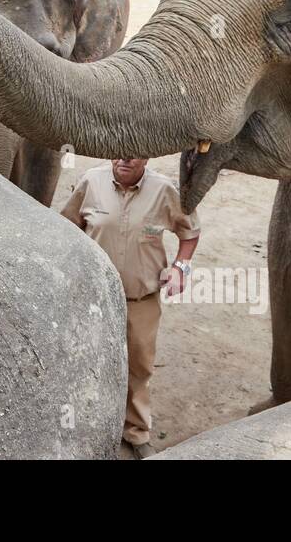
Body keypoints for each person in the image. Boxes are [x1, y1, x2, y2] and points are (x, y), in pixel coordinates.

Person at [60, 157, 201, 459]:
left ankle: (136, 433)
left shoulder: (165, 190)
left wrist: (180, 267)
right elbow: (67, 226)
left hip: (142, 300)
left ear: (147, 156)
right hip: (94, 299)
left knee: (138, 367)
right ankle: (89, 428)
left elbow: (190, 232)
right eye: (119, 151)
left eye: (133, 153)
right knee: (89, 363)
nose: (124, 158)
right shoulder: (90, 183)